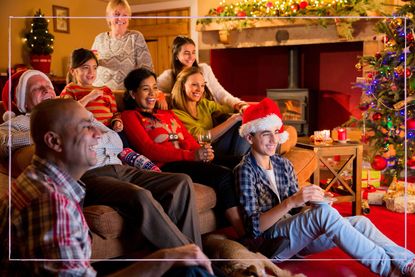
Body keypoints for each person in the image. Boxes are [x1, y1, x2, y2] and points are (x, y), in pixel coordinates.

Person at [0, 98, 214, 276]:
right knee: (187, 269)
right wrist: (164, 258)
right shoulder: (53, 206)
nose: (99, 134)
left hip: (117, 168)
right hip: (100, 177)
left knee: (188, 266)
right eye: (86, 127)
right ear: (54, 141)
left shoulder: (35, 180)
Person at [234, 97, 415, 277]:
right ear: (250, 137)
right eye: (266, 133)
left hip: (296, 241)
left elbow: (297, 209)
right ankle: (390, 271)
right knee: (324, 215)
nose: (274, 139)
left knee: (360, 221)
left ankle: (407, 262)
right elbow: (254, 228)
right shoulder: (245, 171)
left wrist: (314, 201)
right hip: (270, 244)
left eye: (276, 131)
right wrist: (292, 201)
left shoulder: (283, 165)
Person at [121, 67, 246, 238]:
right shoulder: (129, 116)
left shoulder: (167, 114)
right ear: (133, 93)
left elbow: (188, 140)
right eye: (145, 89)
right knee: (223, 176)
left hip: (188, 159)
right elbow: (148, 149)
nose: (152, 93)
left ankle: (259, 218)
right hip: (167, 166)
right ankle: (244, 233)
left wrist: (202, 152)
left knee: (242, 162)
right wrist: (192, 156)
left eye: (155, 87)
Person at [171, 66, 250, 168]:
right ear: (182, 86)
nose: (200, 89)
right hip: (204, 152)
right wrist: (233, 119)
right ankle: (242, 164)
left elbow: (227, 108)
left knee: (246, 121)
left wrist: (241, 106)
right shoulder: (177, 114)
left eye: (203, 85)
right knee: (241, 122)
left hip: (219, 145)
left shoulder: (203, 104)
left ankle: (244, 163)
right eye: (194, 85)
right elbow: (201, 137)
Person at [157, 35, 248, 113]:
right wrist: (160, 95)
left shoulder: (204, 69)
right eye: (186, 53)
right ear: (176, 55)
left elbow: (219, 93)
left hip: (214, 113)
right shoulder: (169, 76)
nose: (191, 57)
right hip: (193, 122)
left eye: (193, 52)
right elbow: (151, 89)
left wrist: (239, 104)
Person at [91, 0, 153, 90]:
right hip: (99, 95)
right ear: (108, 17)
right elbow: (91, 65)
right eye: (116, 14)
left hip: (125, 95)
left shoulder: (135, 37)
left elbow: (147, 70)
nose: (121, 18)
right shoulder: (99, 39)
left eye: (125, 15)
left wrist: (153, 91)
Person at [61, 48, 123, 133]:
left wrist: (117, 122)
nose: (91, 72)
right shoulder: (70, 89)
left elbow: (115, 114)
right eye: (85, 67)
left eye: (94, 68)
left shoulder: (106, 90)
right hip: (87, 133)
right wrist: (89, 97)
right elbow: (69, 113)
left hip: (108, 131)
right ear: (73, 71)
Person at [0, 69, 56, 158]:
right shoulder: (21, 121)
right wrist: (41, 137)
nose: (46, 90)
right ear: (24, 102)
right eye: (36, 88)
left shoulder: (69, 113)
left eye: (48, 86)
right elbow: (1, 142)